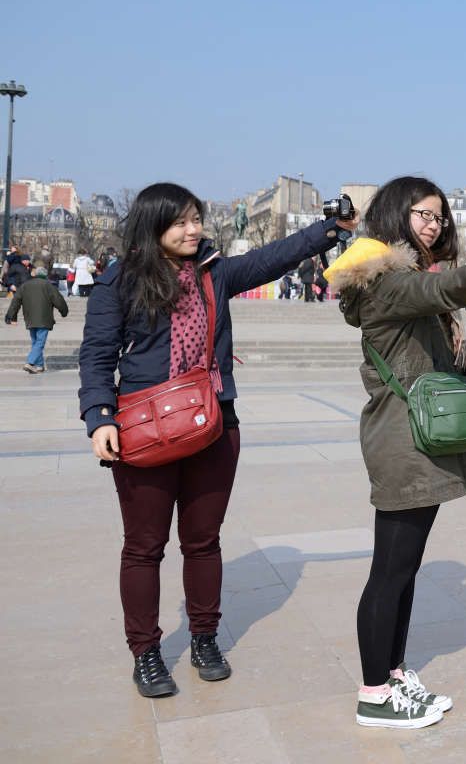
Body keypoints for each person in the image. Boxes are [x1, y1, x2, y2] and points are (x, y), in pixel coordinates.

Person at [78, 182, 353, 700]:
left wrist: (329, 231)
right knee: (144, 547)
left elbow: (273, 258)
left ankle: (205, 638)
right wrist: (99, 417)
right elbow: (96, 355)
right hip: (144, 429)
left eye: (196, 219)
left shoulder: (214, 271)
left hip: (212, 424)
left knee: (203, 541)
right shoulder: (120, 281)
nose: (192, 229)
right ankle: (146, 651)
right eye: (180, 222)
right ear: (152, 225)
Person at [323, 176, 466, 729]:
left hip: (414, 436)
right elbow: (449, 289)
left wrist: (464, 365)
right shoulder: (386, 281)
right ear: (397, 217)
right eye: (422, 215)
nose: (433, 224)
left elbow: (415, 346)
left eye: (439, 217)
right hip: (403, 442)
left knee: (404, 570)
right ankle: (375, 691)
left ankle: (393, 673)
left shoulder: (402, 278)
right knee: (389, 572)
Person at [6, 265, 69, 373]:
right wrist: (64, 311)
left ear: (34, 274)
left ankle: (39, 365)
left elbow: (15, 301)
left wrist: (11, 316)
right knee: (40, 342)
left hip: (29, 318)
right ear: (45, 275)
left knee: (35, 341)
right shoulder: (48, 285)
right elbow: (59, 300)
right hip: (44, 319)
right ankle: (30, 362)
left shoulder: (25, 285)